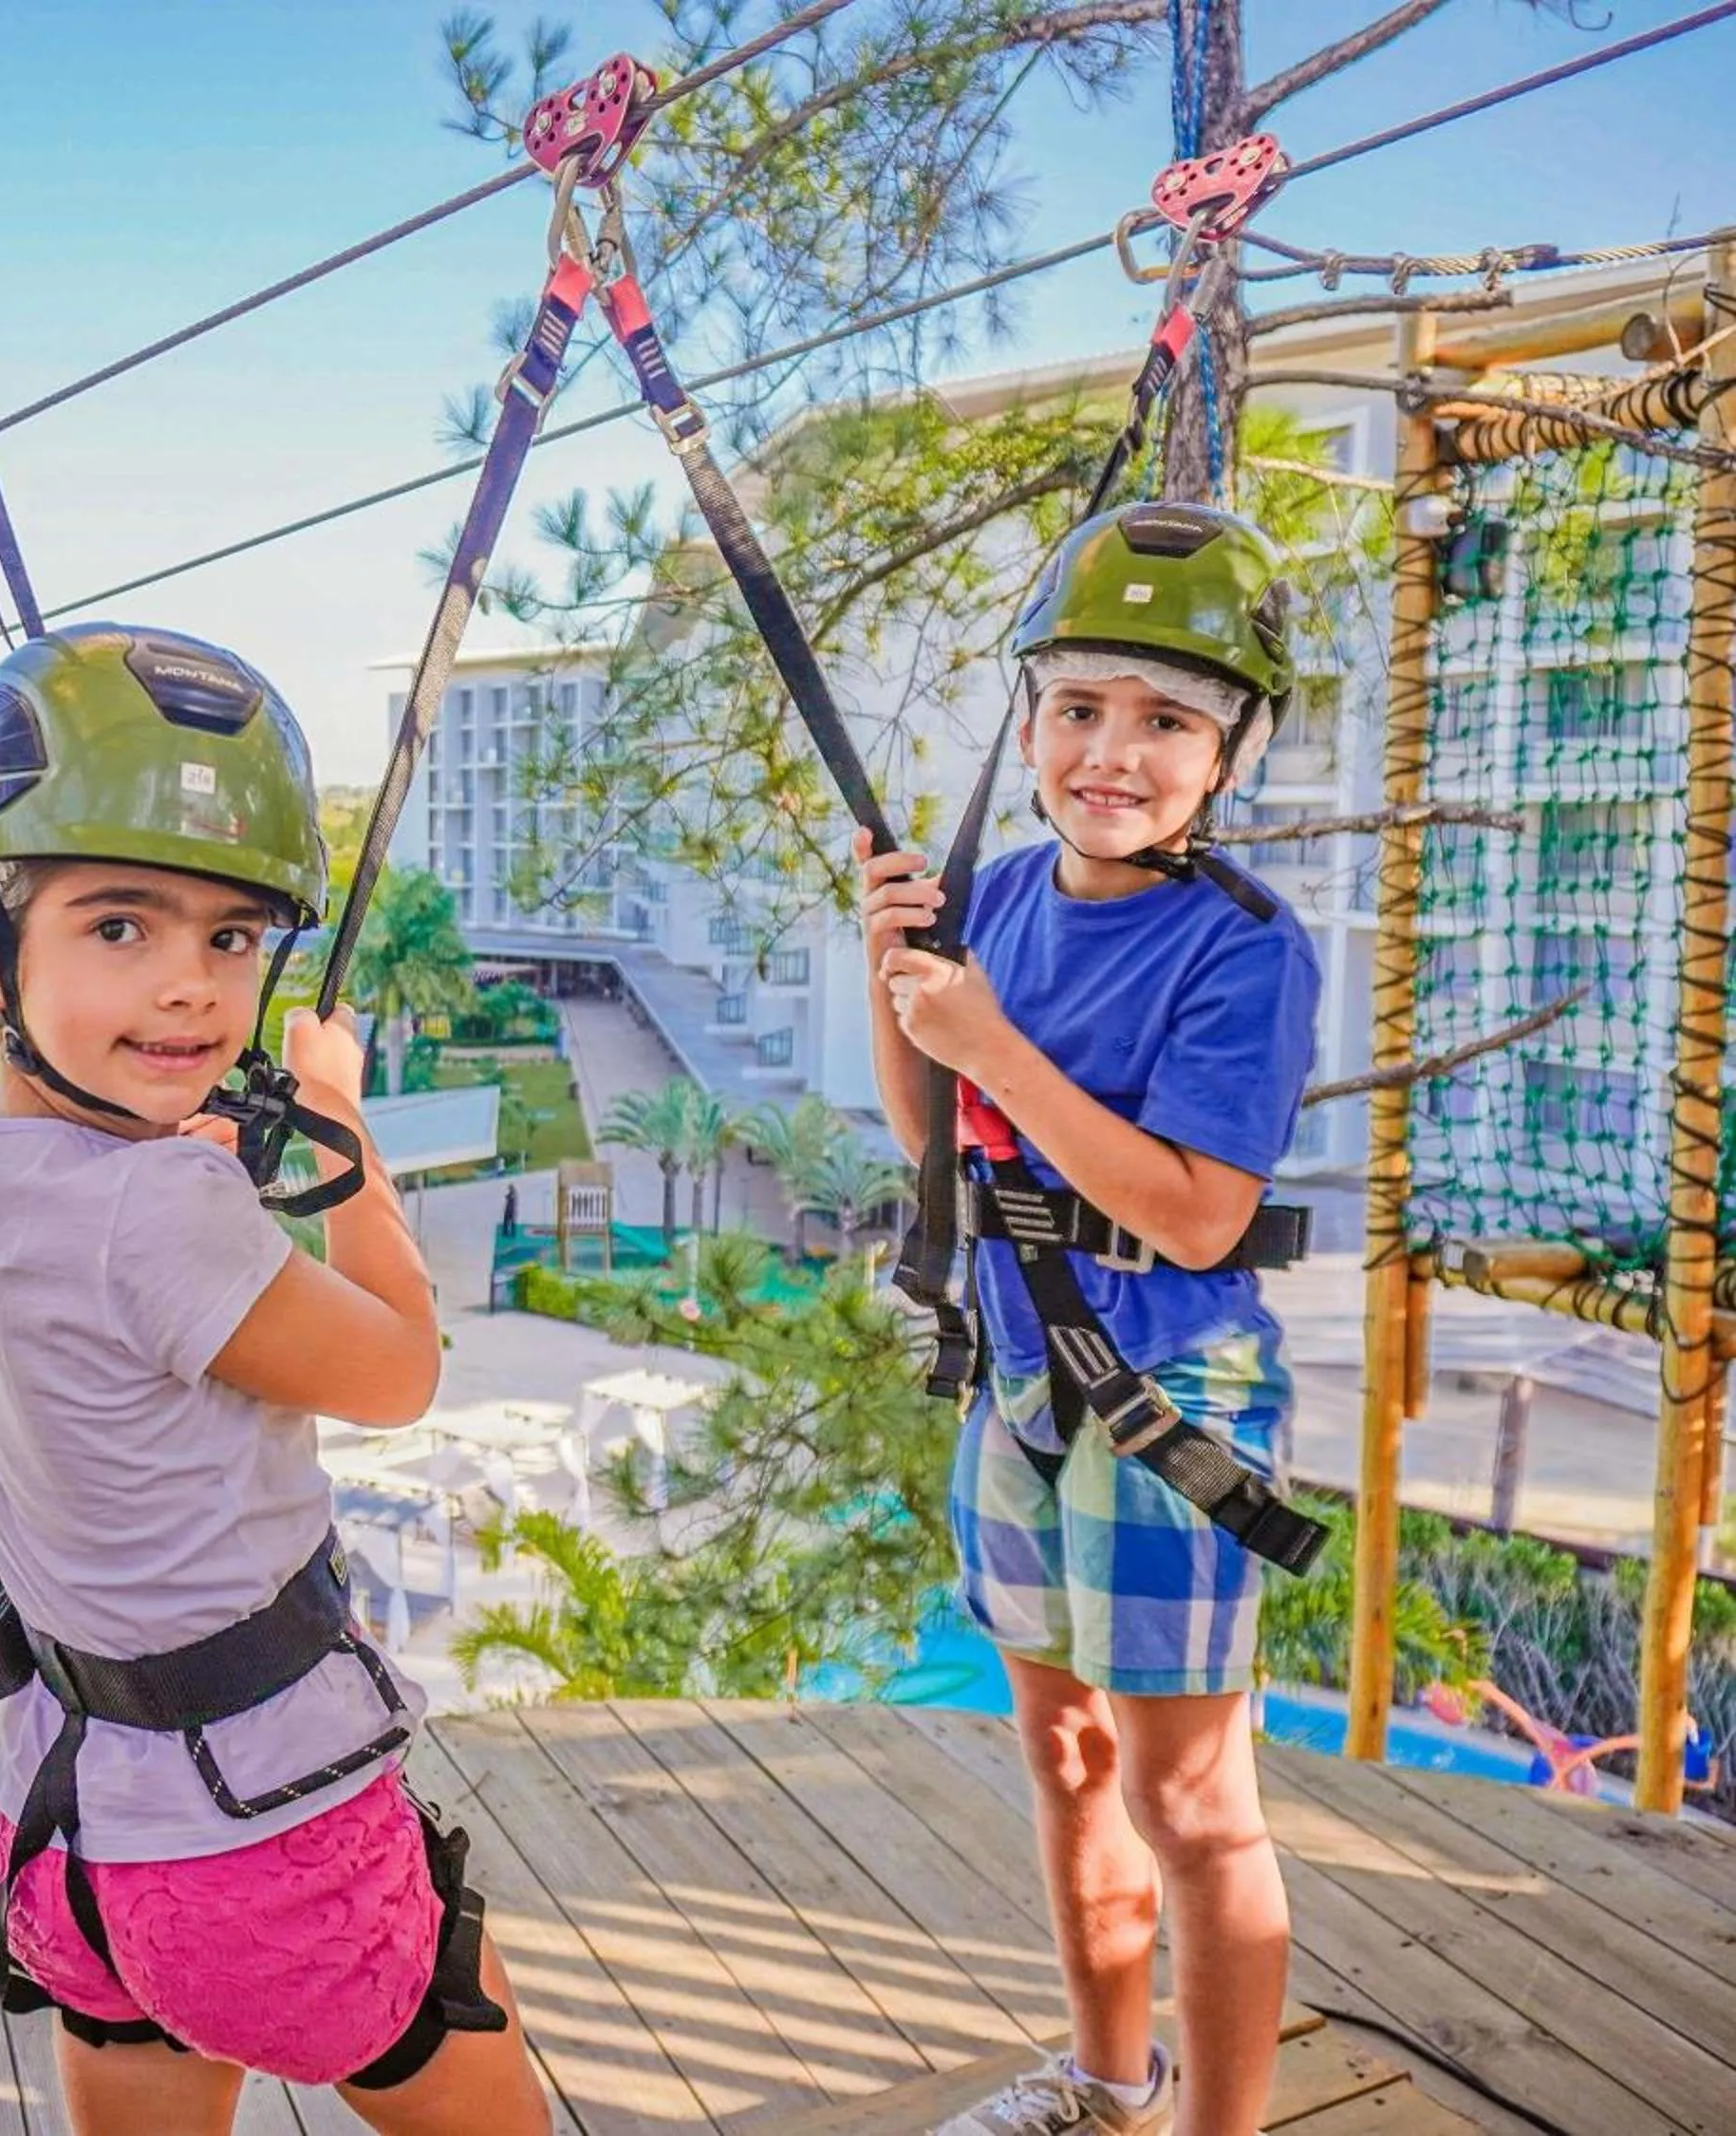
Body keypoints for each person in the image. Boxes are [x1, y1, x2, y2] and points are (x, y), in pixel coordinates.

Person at [0, 624, 549, 2136]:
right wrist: (342, 1122)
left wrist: (194, 1165)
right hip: (260, 1846)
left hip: (66, 1828)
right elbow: (399, 1366)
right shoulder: (164, 1207)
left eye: (231, 938)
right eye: (120, 926)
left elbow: (124, 1279)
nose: (191, 989)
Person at [859, 501, 1321, 2136]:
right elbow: (935, 1139)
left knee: (1190, 1798)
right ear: (1031, 718)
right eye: (1077, 707)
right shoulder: (995, 897)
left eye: (1166, 720)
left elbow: (1195, 1212)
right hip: (1022, 1375)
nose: (1112, 752)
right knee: (1065, 1758)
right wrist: (895, 967)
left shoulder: (1241, 946)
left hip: (1168, 1382)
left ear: (1229, 750)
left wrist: (990, 1041)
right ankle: (1110, 2079)